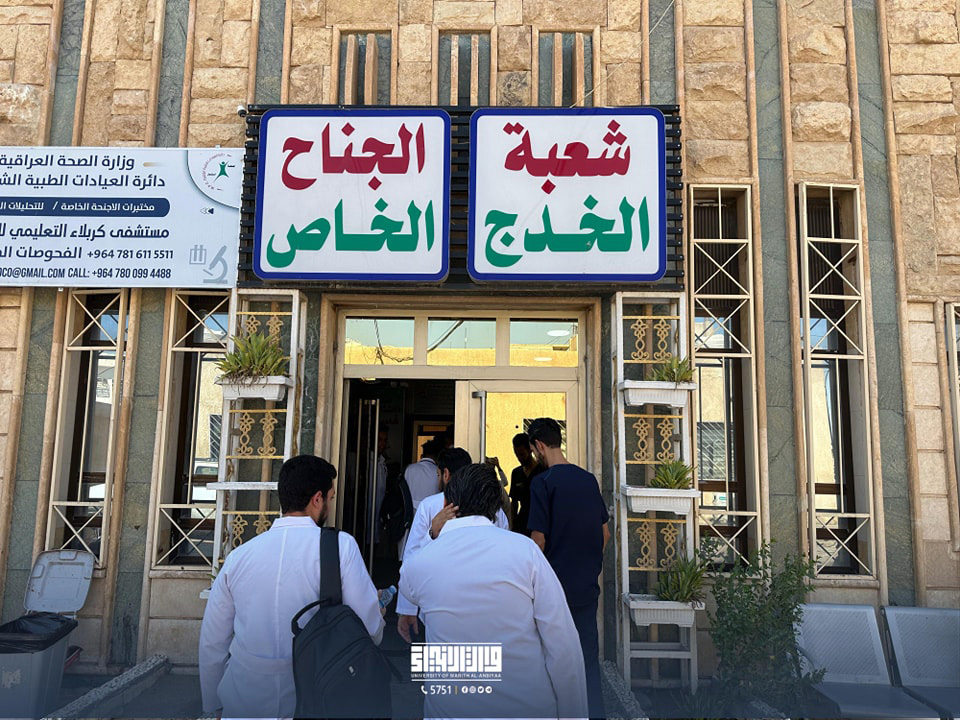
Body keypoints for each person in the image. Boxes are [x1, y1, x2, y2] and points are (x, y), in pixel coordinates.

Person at [199, 455, 385, 719]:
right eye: (331, 498)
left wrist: (213, 703)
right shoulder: (341, 546)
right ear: (317, 499)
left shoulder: (238, 558)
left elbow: (213, 640)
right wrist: (379, 613)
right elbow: (370, 629)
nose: (330, 505)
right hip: (316, 697)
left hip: (243, 699)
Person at [399, 464, 588, 719]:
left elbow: (408, 583)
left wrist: (432, 535)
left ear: (445, 503)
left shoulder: (422, 563)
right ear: (496, 507)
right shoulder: (526, 552)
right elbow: (562, 644)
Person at [526, 417, 610, 719]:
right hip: (586, 588)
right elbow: (605, 534)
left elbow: (538, 541)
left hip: (554, 592)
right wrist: (588, 565)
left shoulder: (543, 483)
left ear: (539, 446)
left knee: (551, 661)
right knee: (588, 661)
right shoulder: (588, 479)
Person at [396, 447, 510, 643]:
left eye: (438, 474)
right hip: (486, 605)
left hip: (439, 603)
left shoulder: (430, 505)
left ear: (446, 474)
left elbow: (411, 559)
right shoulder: (494, 510)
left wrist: (407, 608)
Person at [508, 432, 543, 536]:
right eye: (516, 454)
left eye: (522, 454)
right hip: (522, 523)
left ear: (530, 450)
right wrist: (512, 525)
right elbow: (514, 502)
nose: (519, 458)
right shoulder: (516, 473)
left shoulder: (542, 471)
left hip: (539, 521)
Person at [404, 437, 444, 509]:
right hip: (433, 511)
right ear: (437, 456)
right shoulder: (438, 471)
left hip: (410, 511)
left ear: (422, 455)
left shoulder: (410, 469)